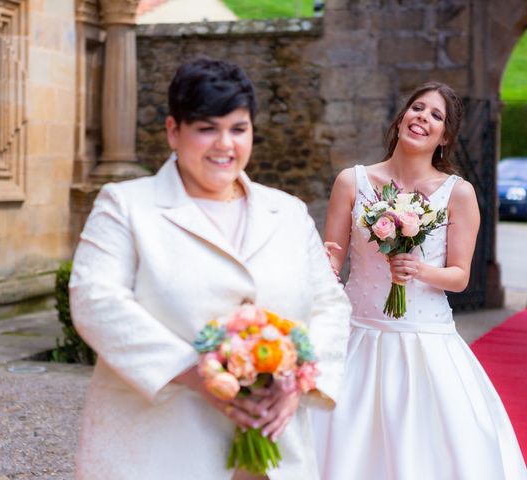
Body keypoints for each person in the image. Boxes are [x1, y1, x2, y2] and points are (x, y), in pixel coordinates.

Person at [68, 58, 351, 480]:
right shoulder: (126, 205)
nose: (225, 145)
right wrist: (197, 375)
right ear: (172, 131)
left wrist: (300, 383)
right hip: (160, 448)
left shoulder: (287, 213)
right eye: (207, 128)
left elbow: (331, 304)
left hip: (274, 448)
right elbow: (95, 300)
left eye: (238, 129)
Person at [313, 81, 527, 479]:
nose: (422, 118)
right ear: (400, 120)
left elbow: (460, 277)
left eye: (436, 115)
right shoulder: (352, 181)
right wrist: (318, 269)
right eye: (417, 108)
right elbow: (333, 257)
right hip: (356, 335)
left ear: (445, 136)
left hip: (424, 341)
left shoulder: (457, 194)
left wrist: (420, 269)